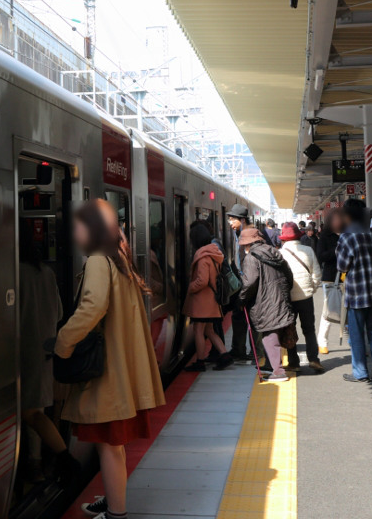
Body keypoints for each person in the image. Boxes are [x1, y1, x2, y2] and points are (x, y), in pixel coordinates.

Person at [56, 199, 164, 519]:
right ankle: (114, 498)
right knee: (112, 446)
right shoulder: (118, 258)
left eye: (78, 226)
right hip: (119, 369)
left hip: (107, 373)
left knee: (108, 446)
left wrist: (62, 342)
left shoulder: (97, 261)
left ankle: (116, 513)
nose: (74, 232)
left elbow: (92, 308)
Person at [18, 237, 75, 483]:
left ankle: (61, 460)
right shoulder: (46, 272)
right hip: (43, 351)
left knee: (26, 412)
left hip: (17, 352)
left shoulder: (11, 272)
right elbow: (60, 312)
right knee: (35, 411)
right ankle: (37, 462)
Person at [336, 199, 372, 384]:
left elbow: (342, 265)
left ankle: (360, 372)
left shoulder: (347, 236)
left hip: (357, 294)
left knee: (357, 333)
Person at [238, 227, 295, 382]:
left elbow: (249, 283)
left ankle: (278, 371)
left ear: (247, 244)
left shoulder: (251, 258)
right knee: (275, 331)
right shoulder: (274, 251)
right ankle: (271, 365)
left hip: (264, 300)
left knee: (269, 335)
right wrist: (285, 290)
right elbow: (289, 274)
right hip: (280, 296)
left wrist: (241, 299)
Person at [184, 221, 233, 372]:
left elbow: (202, 281)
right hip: (211, 300)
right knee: (209, 330)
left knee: (198, 331)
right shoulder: (213, 253)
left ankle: (200, 362)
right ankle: (225, 356)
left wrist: (190, 287)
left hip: (202, 301)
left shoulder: (203, 256)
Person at [278, 222, 323, 373]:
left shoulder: (280, 253)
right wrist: (312, 289)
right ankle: (314, 359)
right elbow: (317, 274)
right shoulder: (308, 250)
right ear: (298, 235)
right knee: (309, 329)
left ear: (283, 238)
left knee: (290, 330)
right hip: (306, 297)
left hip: (288, 298)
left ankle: (294, 362)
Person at [314, 207, 345, 356]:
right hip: (330, 278)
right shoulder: (325, 237)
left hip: (347, 277)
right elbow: (321, 256)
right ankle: (322, 342)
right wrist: (337, 250)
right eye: (336, 219)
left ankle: (354, 342)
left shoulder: (348, 234)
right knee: (329, 311)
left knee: (349, 311)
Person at [225, 205, 254, 362]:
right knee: (238, 316)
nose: (230, 223)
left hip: (249, 285)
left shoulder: (249, 237)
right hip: (242, 285)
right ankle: (239, 350)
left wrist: (247, 287)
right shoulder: (240, 234)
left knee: (251, 319)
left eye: (232, 219)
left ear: (242, 220)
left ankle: (255, 351)